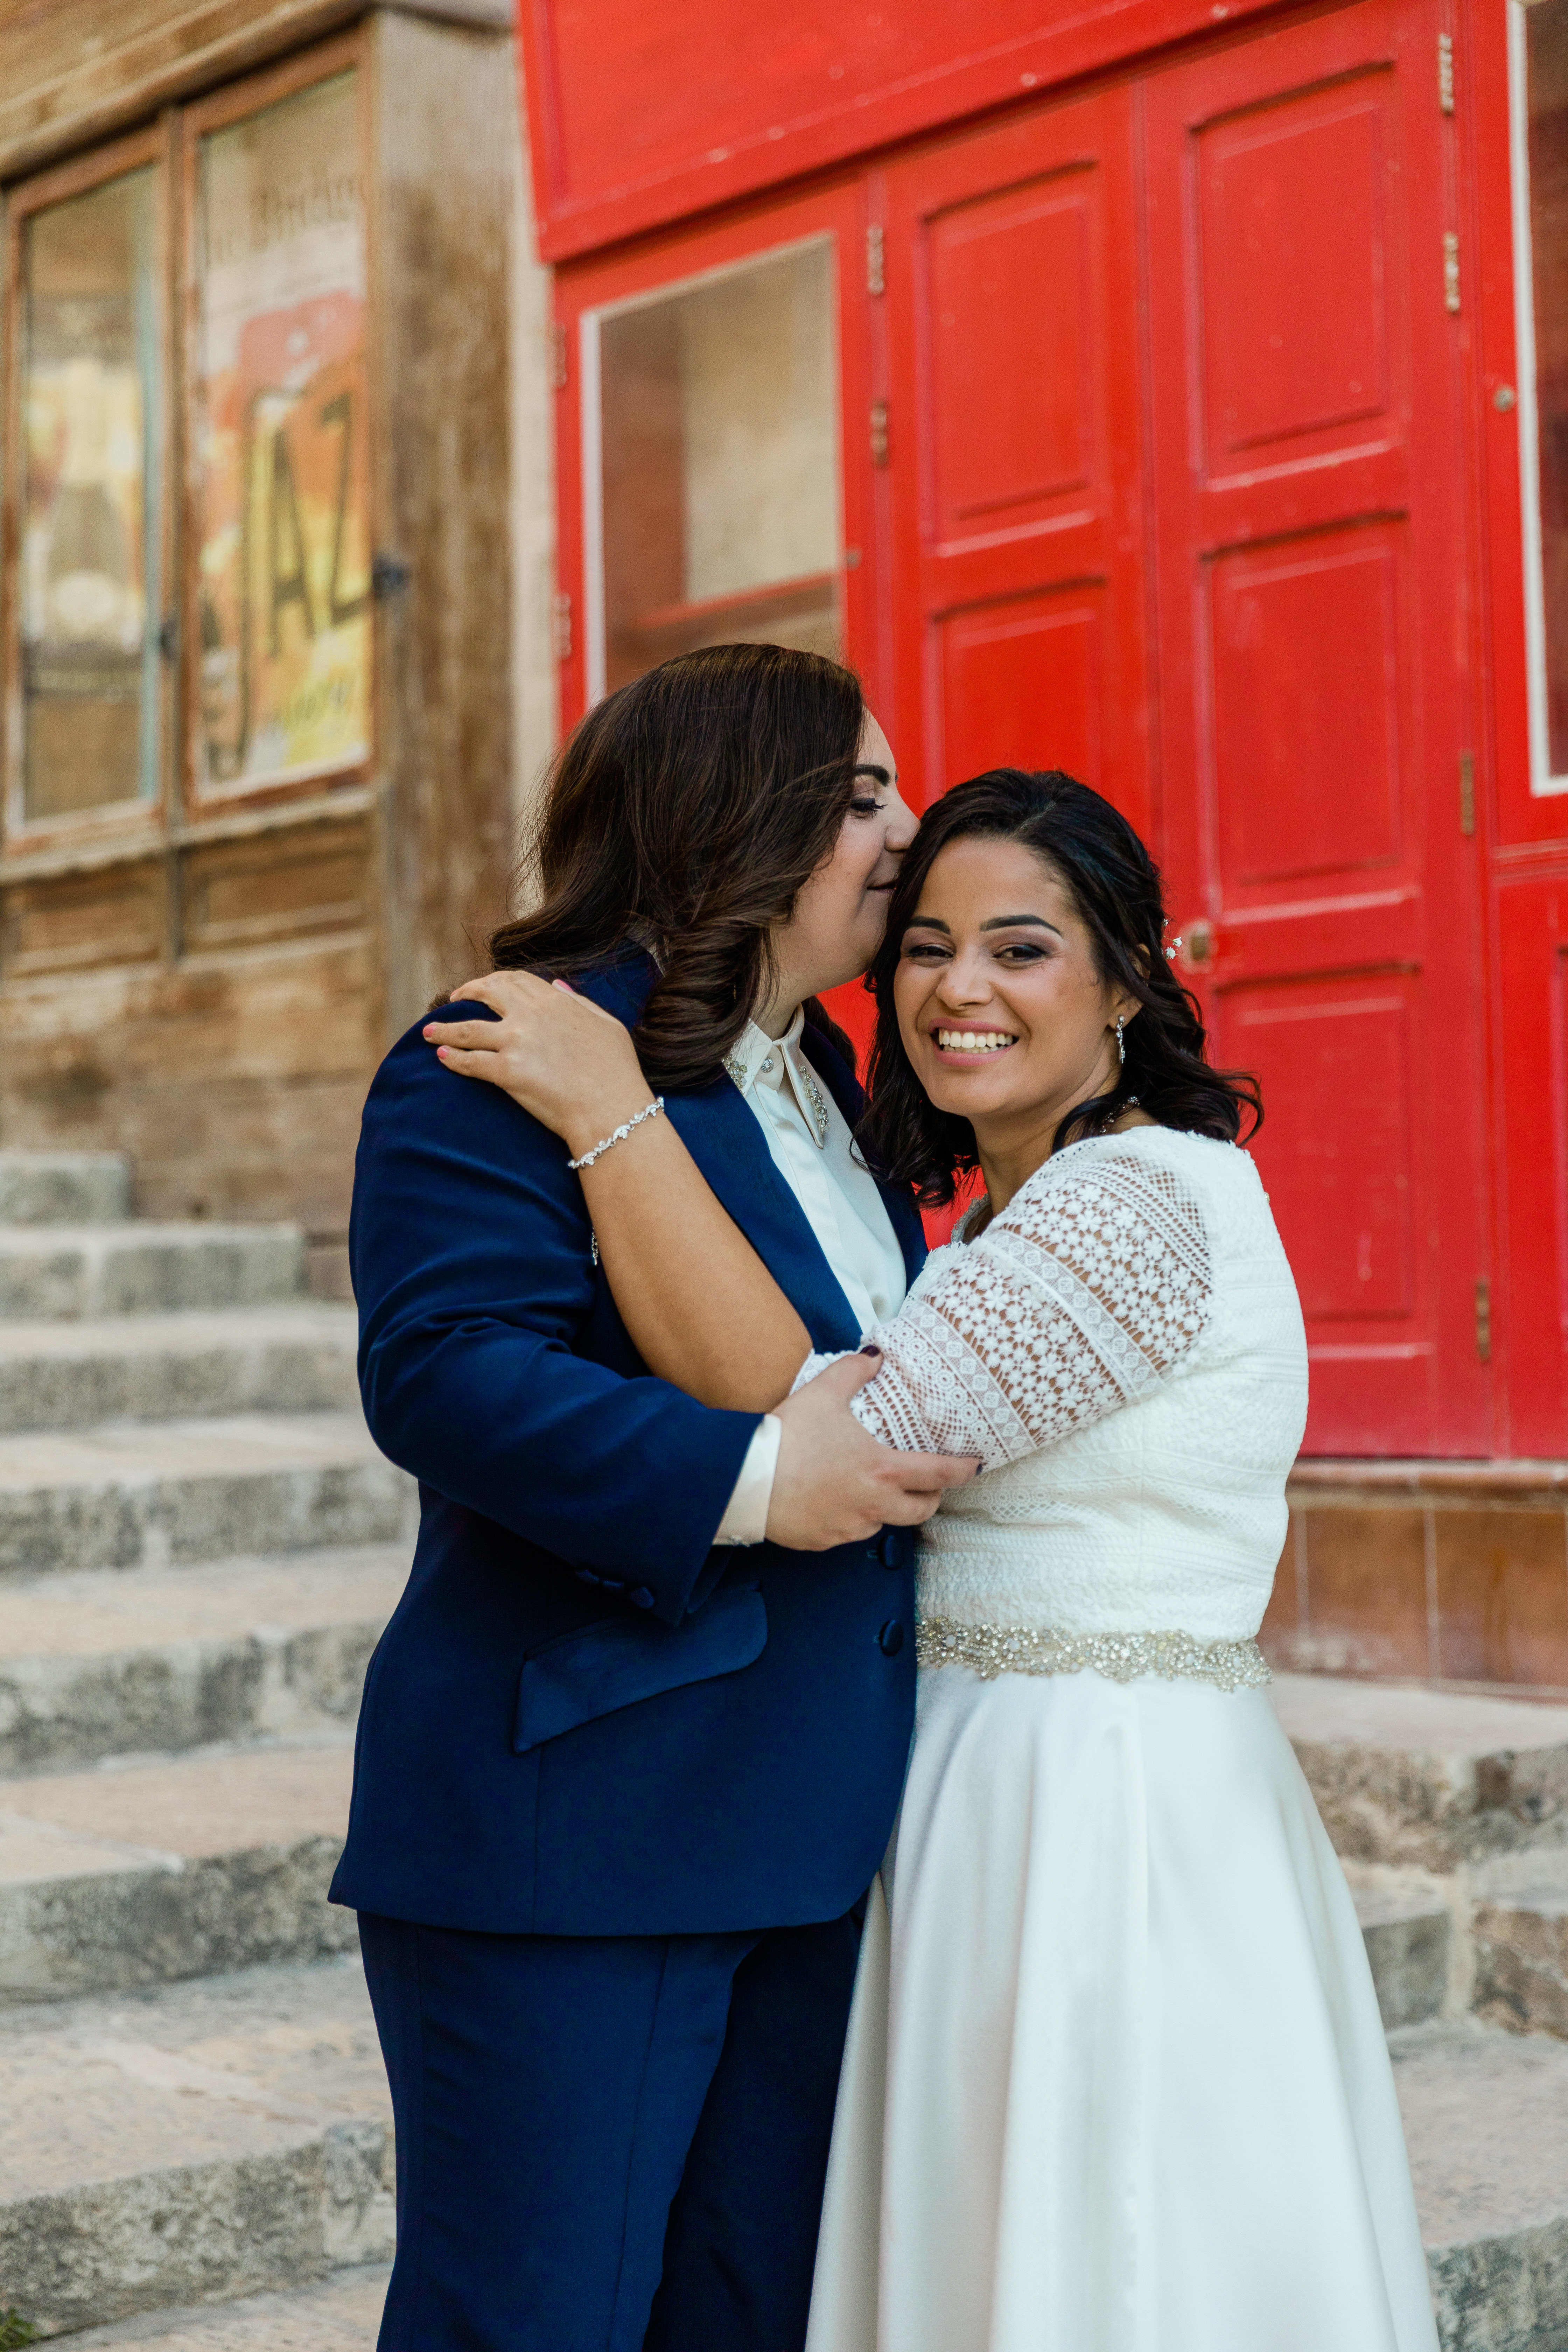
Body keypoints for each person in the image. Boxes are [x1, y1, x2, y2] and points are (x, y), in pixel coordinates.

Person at [439, 766, 1440, 2352]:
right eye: (925, 944)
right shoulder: (995, 1222)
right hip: (984, 1786)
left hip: (1094, 1812)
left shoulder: (1129, 1210)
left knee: (1112, 2248)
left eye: (1021, 947)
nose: (959, 986)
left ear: (1125, 978)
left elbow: (840, 1436)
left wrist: (607, 1108)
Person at [332, 643, 976, 2352]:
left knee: (745, 2319)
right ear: (730, 817)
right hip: (585, 1829)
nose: (904, 831)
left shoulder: (821, 1077)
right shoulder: (505, 1050)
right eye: (858, 797)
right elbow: (451, 1374)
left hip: (808, 1830)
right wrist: (767, 1480)